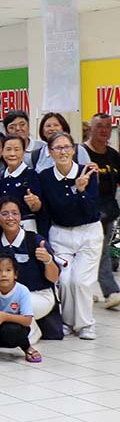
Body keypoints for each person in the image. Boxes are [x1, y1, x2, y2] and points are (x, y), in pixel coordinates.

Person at [37, 132, 102, 339]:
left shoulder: (88, 172)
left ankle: (85, 325)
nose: (63, 152)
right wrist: (42, 239)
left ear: (74, 150)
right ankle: (67, 322)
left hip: (88, 232)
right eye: (58, 148)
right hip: (60, 233)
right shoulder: (45, 177)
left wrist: (81, 191)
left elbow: (91, 210)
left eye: (67, 147)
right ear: (50, 152)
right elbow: (45, 212)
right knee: (64, 280)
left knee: (81, 281)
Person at [0, 198, 59, 345]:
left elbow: (53, 278)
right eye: (5, 214)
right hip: (5, 295)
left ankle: (32, 330)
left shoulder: (35, 240)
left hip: (37, 295)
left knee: (14, 304)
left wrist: (47, 260)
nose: (10, 218)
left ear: (21, 217)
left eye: (15, 213)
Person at [83, 113, 120, 309]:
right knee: (95, 251)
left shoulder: (113, 155)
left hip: (108, 211)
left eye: (107, 126)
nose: (104, 130)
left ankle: (102, 290)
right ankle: (110, 290)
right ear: (90, 128)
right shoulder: (81, 153)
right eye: (99, 126)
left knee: (102, 249)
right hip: (87, 211)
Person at [0, 135, 45, 236]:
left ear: (23, 152)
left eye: (17, 149)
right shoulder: (2, 176)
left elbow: (38, 207)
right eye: (8, 149)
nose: (12, 154)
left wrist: (35, 202)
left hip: (26, 225)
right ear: (2, 152)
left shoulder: (31, 175)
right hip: (5, 226)